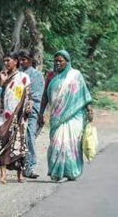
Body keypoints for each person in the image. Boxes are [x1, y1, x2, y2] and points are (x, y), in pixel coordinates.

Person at [41, 50, 93, 182]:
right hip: (56, 117)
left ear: (67, 62)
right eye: (56, 61)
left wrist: (89, 109)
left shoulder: (76, 75)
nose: (58, 63)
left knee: (69, 144)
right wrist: (42, 113)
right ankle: (56, 172)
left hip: (74, 116)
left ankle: (71, 172)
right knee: (57, 144)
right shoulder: (51, 76)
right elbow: (45, 97)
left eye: (60, 61)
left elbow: (84, 94)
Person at [0, 52, 32, 184]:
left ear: (16, 61)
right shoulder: (0, 76)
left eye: (8, 60)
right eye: (4, 61)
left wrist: (26, 110)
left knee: (19, 144)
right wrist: (2, 82)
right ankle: (3, 175)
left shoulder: (24, 77)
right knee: (3, 143)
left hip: (19, 116)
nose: (5, 63)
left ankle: (20, 175)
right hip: (3, 116)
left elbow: (28, 95)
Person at [18, 50, 44, 179]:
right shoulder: (18, 74)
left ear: (30, 60)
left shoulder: (37, 75)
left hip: (31, 110)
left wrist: (26, 102)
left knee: (29, 136)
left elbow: (37, 95)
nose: (22, 62)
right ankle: (20, 165)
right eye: (20, 60)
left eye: (24, 59)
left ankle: (30, 166)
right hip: (17, 110)